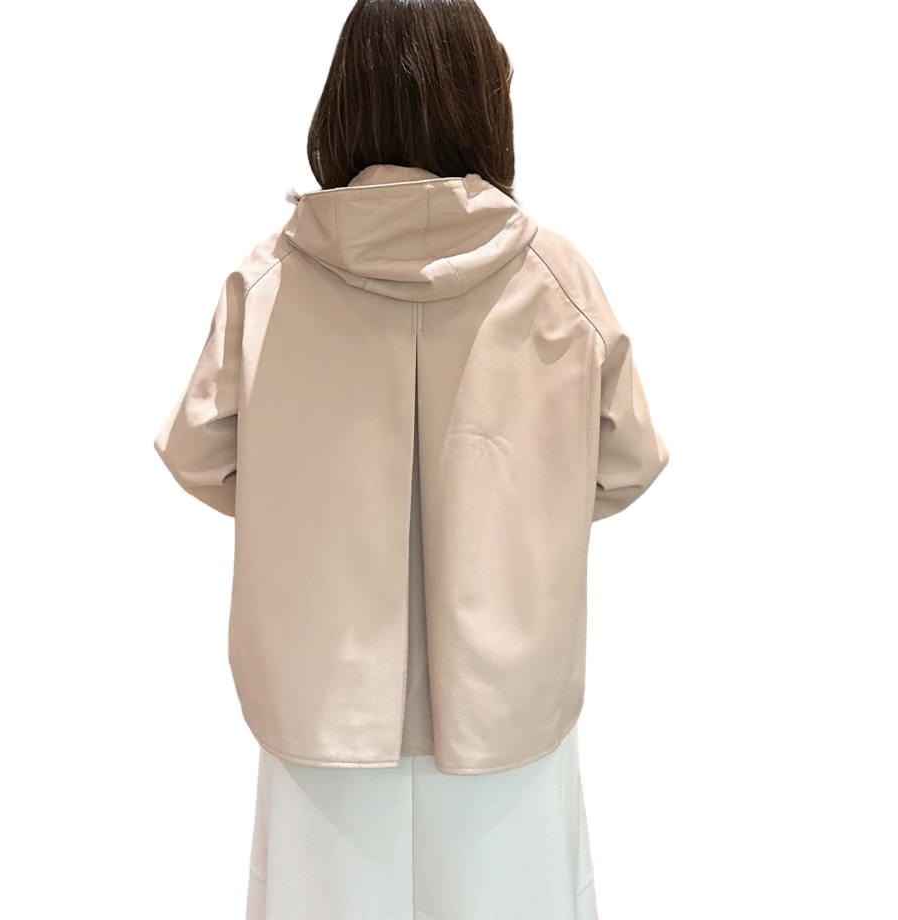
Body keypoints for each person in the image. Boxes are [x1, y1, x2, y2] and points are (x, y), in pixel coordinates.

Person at [153, 1, 668, 917]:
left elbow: (198, 452)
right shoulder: (555, 278)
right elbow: (628, 459)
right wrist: (526, 505)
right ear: (484, 97)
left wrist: (296, 502)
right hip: (508, 706)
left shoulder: (271, 281)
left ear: (344, 100)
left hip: (321, 697)